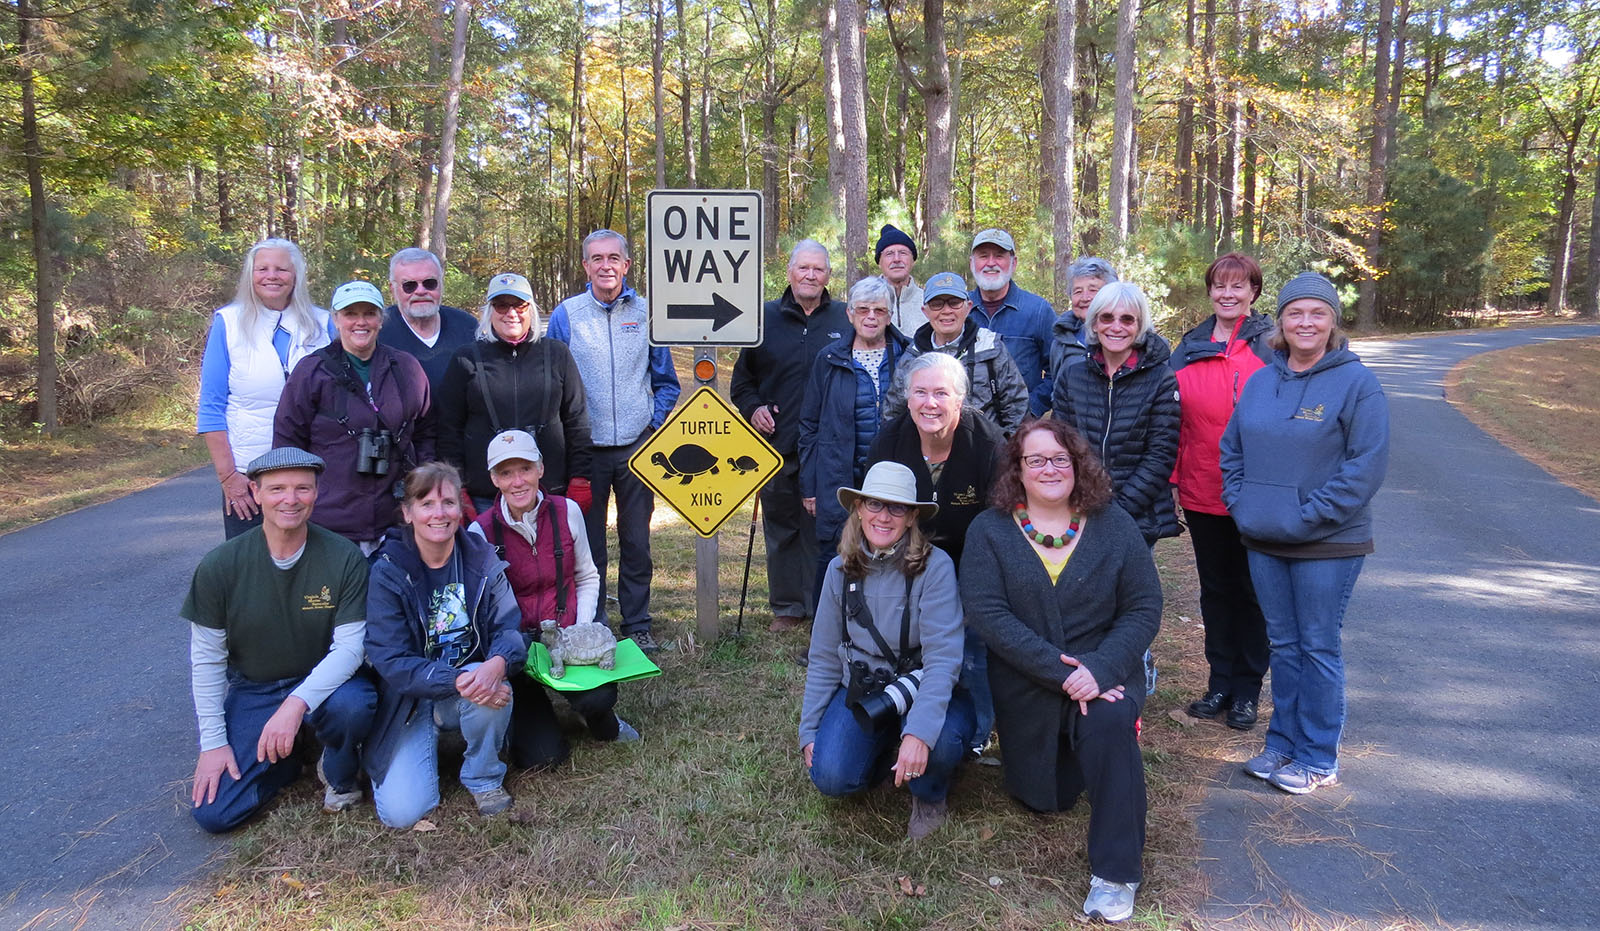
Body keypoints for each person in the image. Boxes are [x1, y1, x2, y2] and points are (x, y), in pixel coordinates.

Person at [960, 420, 1160, 923]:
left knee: (1109, 725)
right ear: (1017, 470)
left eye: (1060, 459)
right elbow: (987, 613)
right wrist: (1063, 672)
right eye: (1036, 460)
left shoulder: (1113, 525)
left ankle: (1116, 874)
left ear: (1077, 466)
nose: (1049, 468)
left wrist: (1102, 667)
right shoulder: (990, 530)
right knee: (1047, 798)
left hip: (1107, 673)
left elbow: (1143, 606)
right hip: (1029, 678)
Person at [1222, 271, 1389, 795]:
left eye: (1318, 312)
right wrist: (1242, 504)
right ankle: (1282, 744)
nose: (1306, 322)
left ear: (1333, 322)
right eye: (1296, 312)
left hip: (1328, 542)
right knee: (1284, 644)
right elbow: (1232, 451)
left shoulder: (1356, 383)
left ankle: (1318, 757)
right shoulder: (1260, 380)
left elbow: (1366, 466)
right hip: (1264, 538)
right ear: (1281, 321)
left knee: (1317, 645)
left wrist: (1308, 515)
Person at [182, 447, 376, 833]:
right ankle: (286, 760)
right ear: (255, 493)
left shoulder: (344, 557)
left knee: (354, 706)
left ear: (317, 493)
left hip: (328, 685)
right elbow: (206, 661)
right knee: (215, 814)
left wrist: (294, 705)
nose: (291, 499)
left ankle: (337, 758)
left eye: (302, 488)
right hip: (257, 689)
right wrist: (214, 744)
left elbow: (352, 648)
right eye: (277, 489)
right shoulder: (220, 566)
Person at [798, 461, 972, 840]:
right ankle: (881, 752)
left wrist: (920, 734)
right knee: (830, 776)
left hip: (923, 684)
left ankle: (928, 793)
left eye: (896, 508)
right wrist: (809, 729)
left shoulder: (936, 568)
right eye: (874, 504)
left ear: (911, 517)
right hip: (864, 689)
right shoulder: (837, 570)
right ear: (858, 509)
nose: (883, 516)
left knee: (938, 743)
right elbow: (825, 655)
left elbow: (944, 659)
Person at [364, 462, 526, 827]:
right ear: (407, 512)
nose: (439, 513)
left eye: (448, 503)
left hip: (470, 686)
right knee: (401, 814)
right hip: (409, 700)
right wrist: (456, 681)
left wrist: (496, 664)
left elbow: (510, 630)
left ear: (460, 509)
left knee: (493, 681)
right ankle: (394, 748)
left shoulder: (482, 559)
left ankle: (483, 778)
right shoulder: (388, 570)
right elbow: (390, 659)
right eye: (426, 504)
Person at [467, 430, 639, 769]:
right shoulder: (480, 532)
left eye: (525, 469)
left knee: (600, 697)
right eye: (506, 472)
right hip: (517, 648)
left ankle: (600, 718)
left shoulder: (567, 511)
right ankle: (525, 712)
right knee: (542, 758)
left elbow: (588, 575)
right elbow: (482, 610)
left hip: (567, 633)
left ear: (541, 469)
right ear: (493, 479)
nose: (517, 481)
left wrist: (580, 629)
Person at [547, 230, 680, 652]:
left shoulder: (646, 313)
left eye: (613, 258)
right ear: (585, 266)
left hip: (635, 450)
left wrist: (651, 427)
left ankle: (637, 623)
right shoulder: (567, 315)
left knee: (636, 542)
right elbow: (553, 382)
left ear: (626, 264)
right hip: (584, 452)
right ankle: (595, 622)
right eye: (596, 258)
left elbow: (667, 382)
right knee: (587, 546)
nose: (605, 265)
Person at [869, 351, 1005, 759]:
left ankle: (980, 729)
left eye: (941, 393)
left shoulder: (988, 444)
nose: (930, 403)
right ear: (908, 398)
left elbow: (1000, 523)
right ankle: (898, 712)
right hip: (907, 555)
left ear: (959, 401)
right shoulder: (891, 440)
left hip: (974, 559)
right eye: (921, 392)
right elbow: (876, 513)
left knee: (972, 646)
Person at [1171, 253, 1274, 730]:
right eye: (1220, 286)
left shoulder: (1272, 345)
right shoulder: (1189, 346)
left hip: (1256, 491)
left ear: (1253, 292)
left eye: (1239, 286)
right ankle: (1219, 683)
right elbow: (1169, 419)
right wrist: (1172, 480)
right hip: (1201, 487)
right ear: (1209, 291)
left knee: (1252, 592)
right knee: (1215, 591)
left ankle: (1247, 690)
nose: (1228, 294)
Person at [731, 239, 849, 631]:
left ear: (828, 275)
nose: (811, 275)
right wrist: (754, 409)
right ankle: (787, 607)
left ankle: (822, 607)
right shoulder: (762, 320)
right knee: (781, 526)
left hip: (826, 445)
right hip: (776, 443)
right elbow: (742, 383)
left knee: (824, 527)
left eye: (818, 269)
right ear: (790, 272)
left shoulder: (844, 320)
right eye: (804, 268)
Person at [273, 281, 435, 554]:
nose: (360, 322)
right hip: (330, 523)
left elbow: (427, 432)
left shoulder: (406, 368)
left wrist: (423, 490)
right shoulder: (312, 372)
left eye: (369, 313)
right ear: (336, 319)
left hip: (395, 521)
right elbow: (288, 445)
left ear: (381, 320)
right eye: (350, 314)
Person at [198, 238, 330, 538]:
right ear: (250, 275)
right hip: (250, 475)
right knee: (252, 568)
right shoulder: (228, 323)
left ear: (296, 275)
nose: (272, 275)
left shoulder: (324, 323)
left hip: (315, 470)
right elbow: (211, 408)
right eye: (263, 268)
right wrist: (229, 477)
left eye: (282, 269)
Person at [798, 276, 912, 609]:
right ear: (850, 314)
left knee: (896, 550)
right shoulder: (829, 359)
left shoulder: (907, 355)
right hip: (837, 475)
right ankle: (825, 630)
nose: (871, 317)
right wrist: (810, 486)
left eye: (879, 310)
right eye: (863, 310)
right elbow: (809, 424)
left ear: (889, 316)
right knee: (833, 553)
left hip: (894, 471)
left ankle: (887, 628)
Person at [436, 273, 592, 514]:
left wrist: (580, 478)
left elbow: (577, 421)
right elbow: (448, 430)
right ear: (489, 311)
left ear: (531, 308)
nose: (511, 313)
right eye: (501, 305)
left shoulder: (557, 354)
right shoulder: (466, 359)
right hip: (486, 497)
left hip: (549, 492)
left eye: (519, 305)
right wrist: (457, 486)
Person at [1050, 281, 1181, 549]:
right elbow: (1060, 445)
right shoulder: (1071, 375)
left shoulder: (1161, 379)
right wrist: (1079, 501)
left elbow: (1160, 455)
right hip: (1079, 510)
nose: (1116, 327)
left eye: (1127, 319)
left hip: (1137, 516)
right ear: (1095, 324)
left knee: (1129, 590)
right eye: (1107, 317)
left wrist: (1118, 511)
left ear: (1139, 325)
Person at [881, 272, 1030, 437]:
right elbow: (893, 414)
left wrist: (1006, 452)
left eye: (954, 303)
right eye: (937, 304)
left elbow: (1017, 408)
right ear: (925, 310)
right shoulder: (912, 358)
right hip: (926, 454)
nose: (946, 311)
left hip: (985, 453)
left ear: (968, 307)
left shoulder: (990, 349)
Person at [967, 228, 1056, 415]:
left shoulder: (1038, 311)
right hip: (966, 428)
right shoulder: (958, 311)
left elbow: (1057, 372)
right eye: (983, 256)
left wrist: (1029, 411)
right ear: (972, 263)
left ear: (1013, 263)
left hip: (1018, 431)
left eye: (999, 256)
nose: (991, 263)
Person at [377, 247, 480, 392]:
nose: (420, 291)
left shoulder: (466, 326)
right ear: (392, 289)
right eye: (409, 285)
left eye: (430, 283)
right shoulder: (378, 330)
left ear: (441, 284)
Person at [1033, 256, 1119, 415]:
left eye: (1093, 290)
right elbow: (1056, 389)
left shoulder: (1126, 337)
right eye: (1078, 291)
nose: (1085, 298)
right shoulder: (1062, 340)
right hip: (1070, 432)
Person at [875, 224, 926, 334]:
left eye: (903, 253)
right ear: (879, 262)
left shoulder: (929, 302)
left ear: (913, 260)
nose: (896, 259)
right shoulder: (865, 303)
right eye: (889, 254)